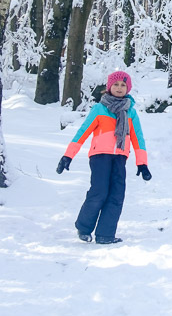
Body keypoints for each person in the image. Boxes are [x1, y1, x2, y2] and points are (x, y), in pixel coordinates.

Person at [56, 70, 151, 244]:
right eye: (115, 84)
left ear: (128, 88)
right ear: (109, 87)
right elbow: (82, 132)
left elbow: (138, 138)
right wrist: (68, 156)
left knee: (116, 195)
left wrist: (142, 164)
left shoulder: (131, 112)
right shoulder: (99, 109)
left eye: (123, 85)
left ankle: (105, 234)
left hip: (120, 157)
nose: (119, 88)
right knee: (99, 192)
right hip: (100, 157)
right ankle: (83, 227)